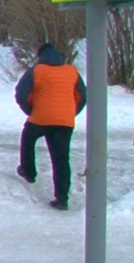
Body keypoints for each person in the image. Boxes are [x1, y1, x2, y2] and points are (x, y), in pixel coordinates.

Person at [14, 42, 87, 210]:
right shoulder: (72, 71)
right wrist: (70, 112)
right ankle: (62, 199)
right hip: (64, 122)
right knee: (61, 159)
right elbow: (82, 96)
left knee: (28, 139)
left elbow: (21, 93)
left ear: (40, 56)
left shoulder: (37, 70)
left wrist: (31, 110)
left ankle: (29, 171)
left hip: (40, 118)